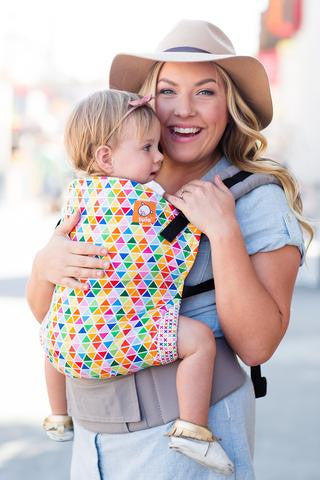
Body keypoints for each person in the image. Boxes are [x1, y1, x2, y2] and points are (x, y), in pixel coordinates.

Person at [26, 20, 311, 479]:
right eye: (168, 91)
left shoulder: (254, 197)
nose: (183, 110)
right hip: (94, 441)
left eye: (205, 92)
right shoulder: (112, 186)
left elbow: (257, 345)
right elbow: (51, 315)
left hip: (188, 444)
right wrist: (45, 265)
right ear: (144, 100)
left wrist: (223, 233)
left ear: (230, 104)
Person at [40, 88, 234, 474]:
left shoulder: (77, 197)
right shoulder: (142, 202)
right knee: (197, 343)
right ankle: (193, 430)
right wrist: (204, 216)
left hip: (69, 347)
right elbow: (171, 238)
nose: (159, 157)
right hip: (115, 333)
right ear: (106, 157)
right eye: (147, 147)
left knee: (51, 330)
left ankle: (58, 415)